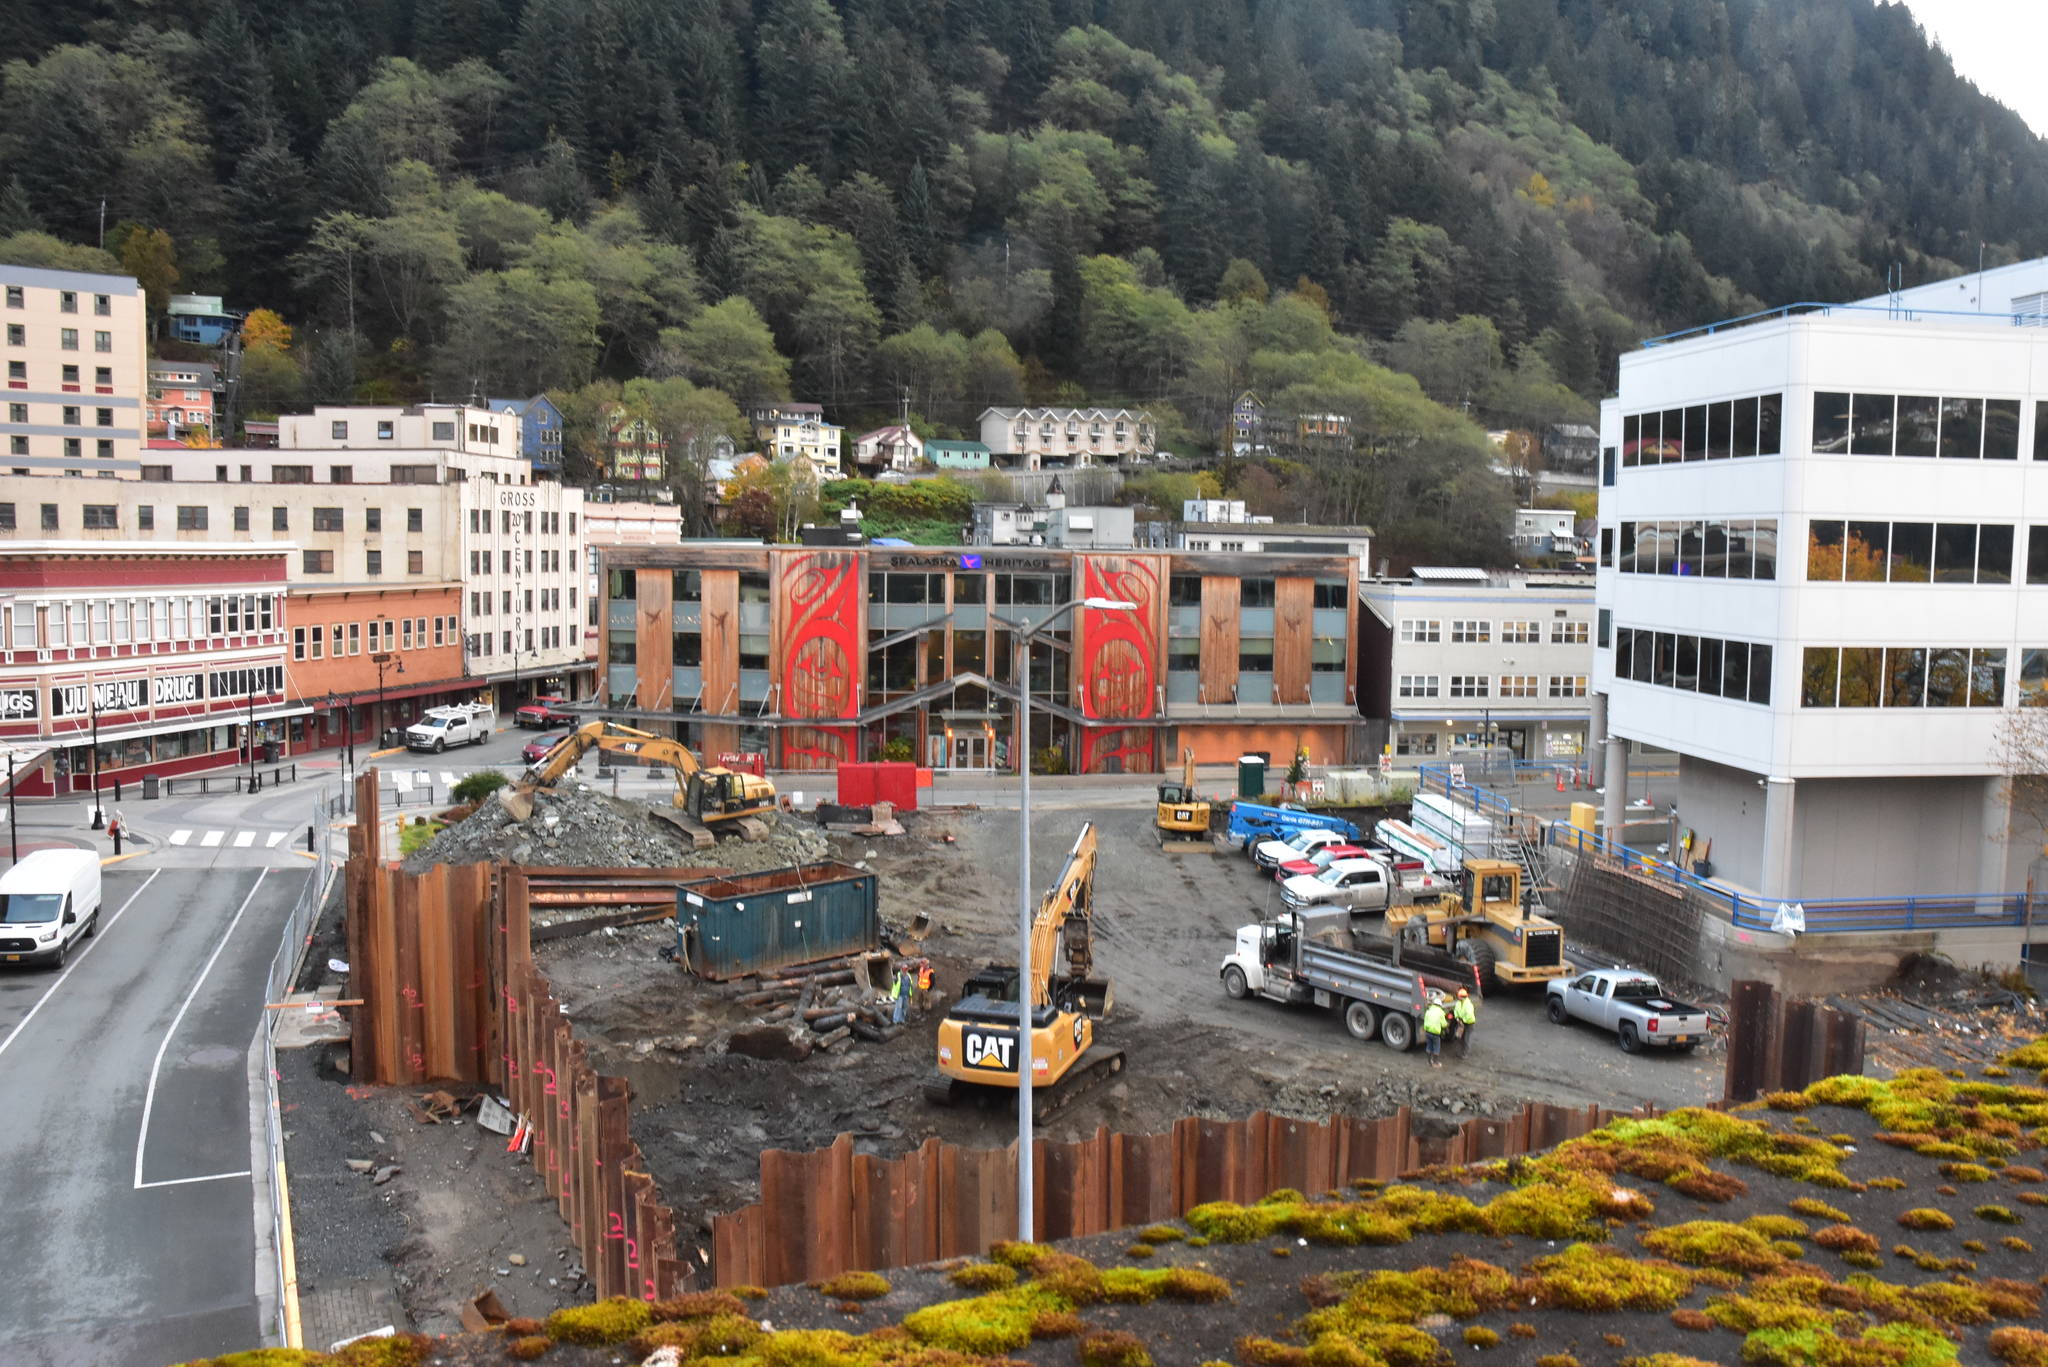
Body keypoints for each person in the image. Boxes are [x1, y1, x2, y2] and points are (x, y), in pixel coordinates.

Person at [1422, 995, 1448, 1068]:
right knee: (1436, 1047)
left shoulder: (1428, 1011)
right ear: (1440, 1005)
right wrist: (1446, 1026)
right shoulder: (1441, 1012)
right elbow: (1443, 1024)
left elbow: (1425, 1020)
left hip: (1428, 1032)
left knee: (1429, 1046)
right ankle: (1436, 1063)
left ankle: (1429, 1062)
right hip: (1436, 1033)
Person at [1452, 986, 1477, 1059]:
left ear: (1462, 997)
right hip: (1461, 1022)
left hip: (1469, 1023)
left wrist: (1462, 1021)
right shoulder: (1458, 1003)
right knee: (1460, 1038)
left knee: (1466, 1038)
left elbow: (1469, 1016)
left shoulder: (1468, 1005)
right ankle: (1460, 1052)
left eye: (1458, 996)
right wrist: (1457, 1018)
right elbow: (1456, 1011)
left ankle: (1465, 1053)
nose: (1457, 997)